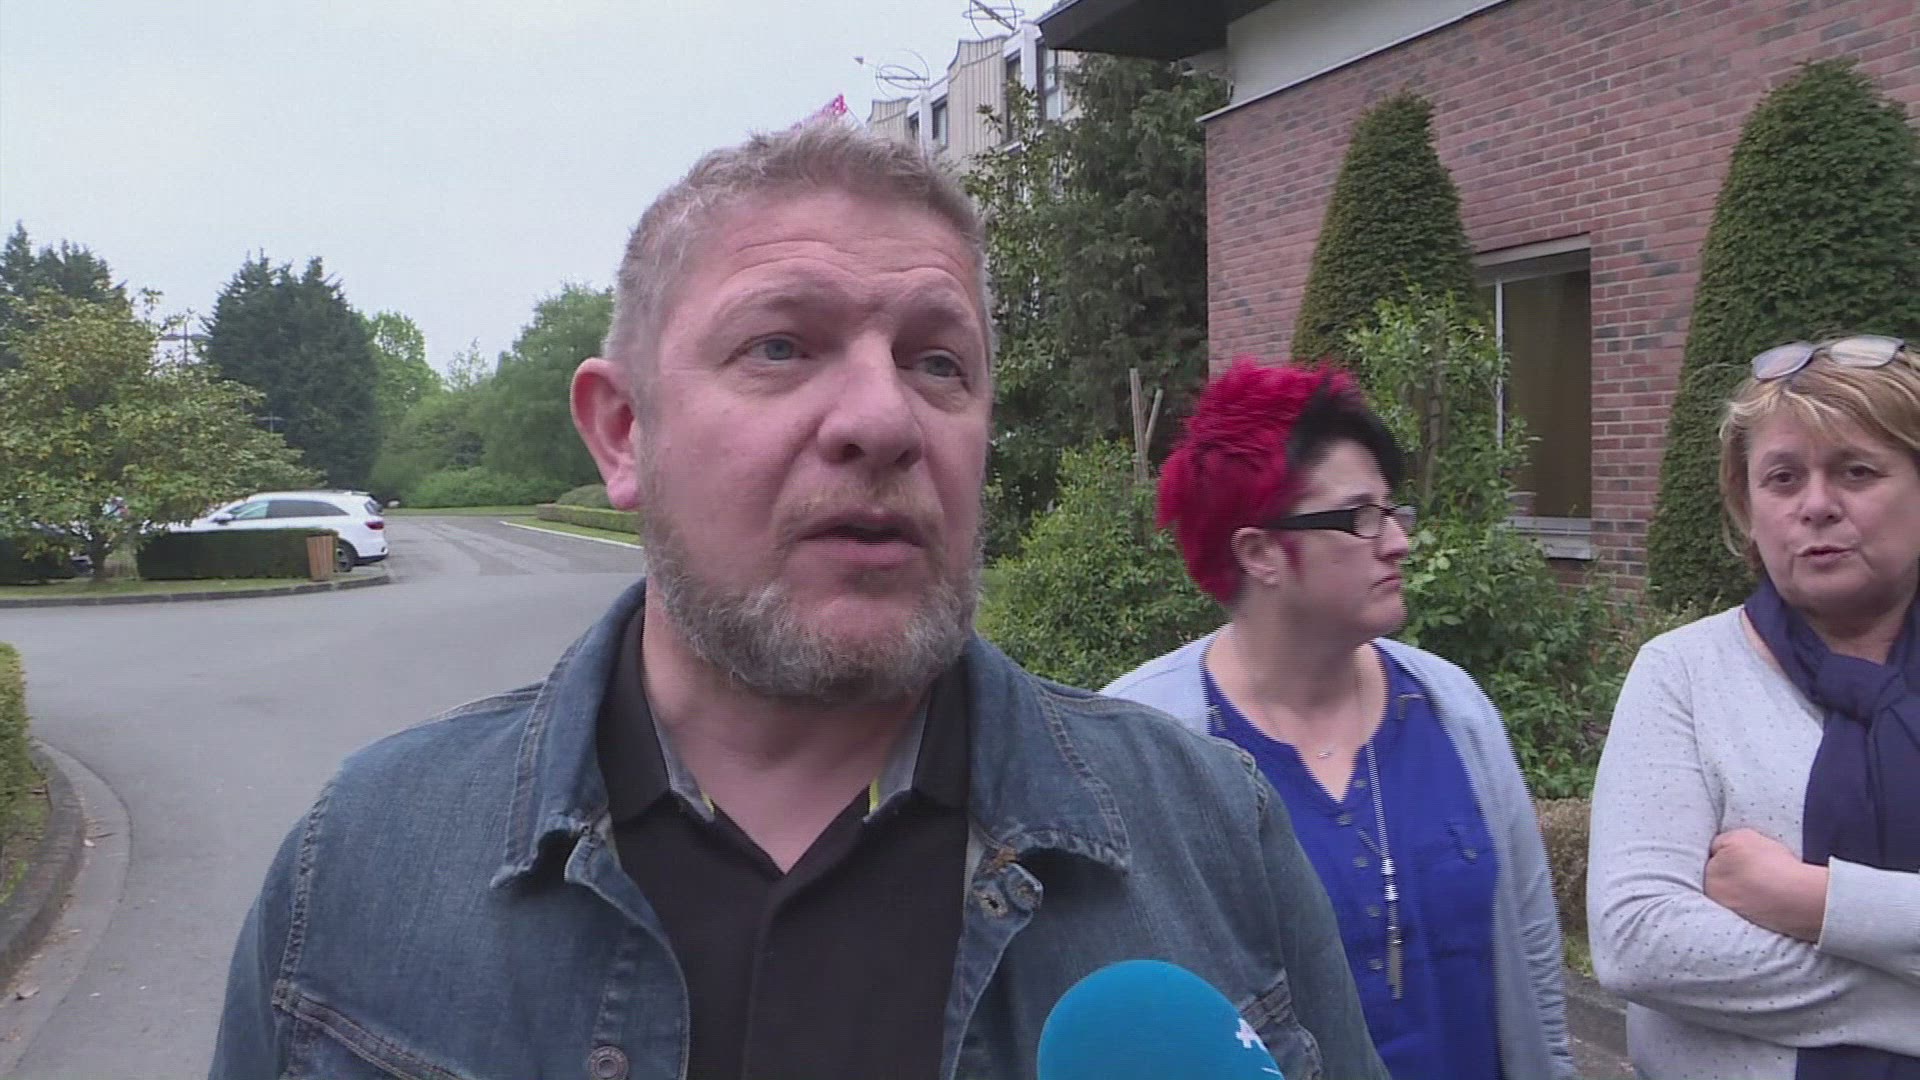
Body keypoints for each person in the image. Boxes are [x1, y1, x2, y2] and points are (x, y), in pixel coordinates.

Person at [207, 124, 1388, 1080]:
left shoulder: (1212, 837)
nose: (882, 419)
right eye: (780, 347)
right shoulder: (362, 865)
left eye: (938, 362)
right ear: (623, 432)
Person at [1106, 359, 1575, 1080]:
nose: (1398, 540)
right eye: (1360, 517)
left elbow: (1532, 952)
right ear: (1260, 552)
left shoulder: (1452, 708)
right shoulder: (1143, 745)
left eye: (1391, 510)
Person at [1588, 334, 1920, 1079]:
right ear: (1748, 508)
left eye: (1857, 471)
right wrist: (1906, 1008)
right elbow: (1640, 941)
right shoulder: (1684, 674)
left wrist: (1813, 901)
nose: (1816, 506)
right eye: (1782, 478)